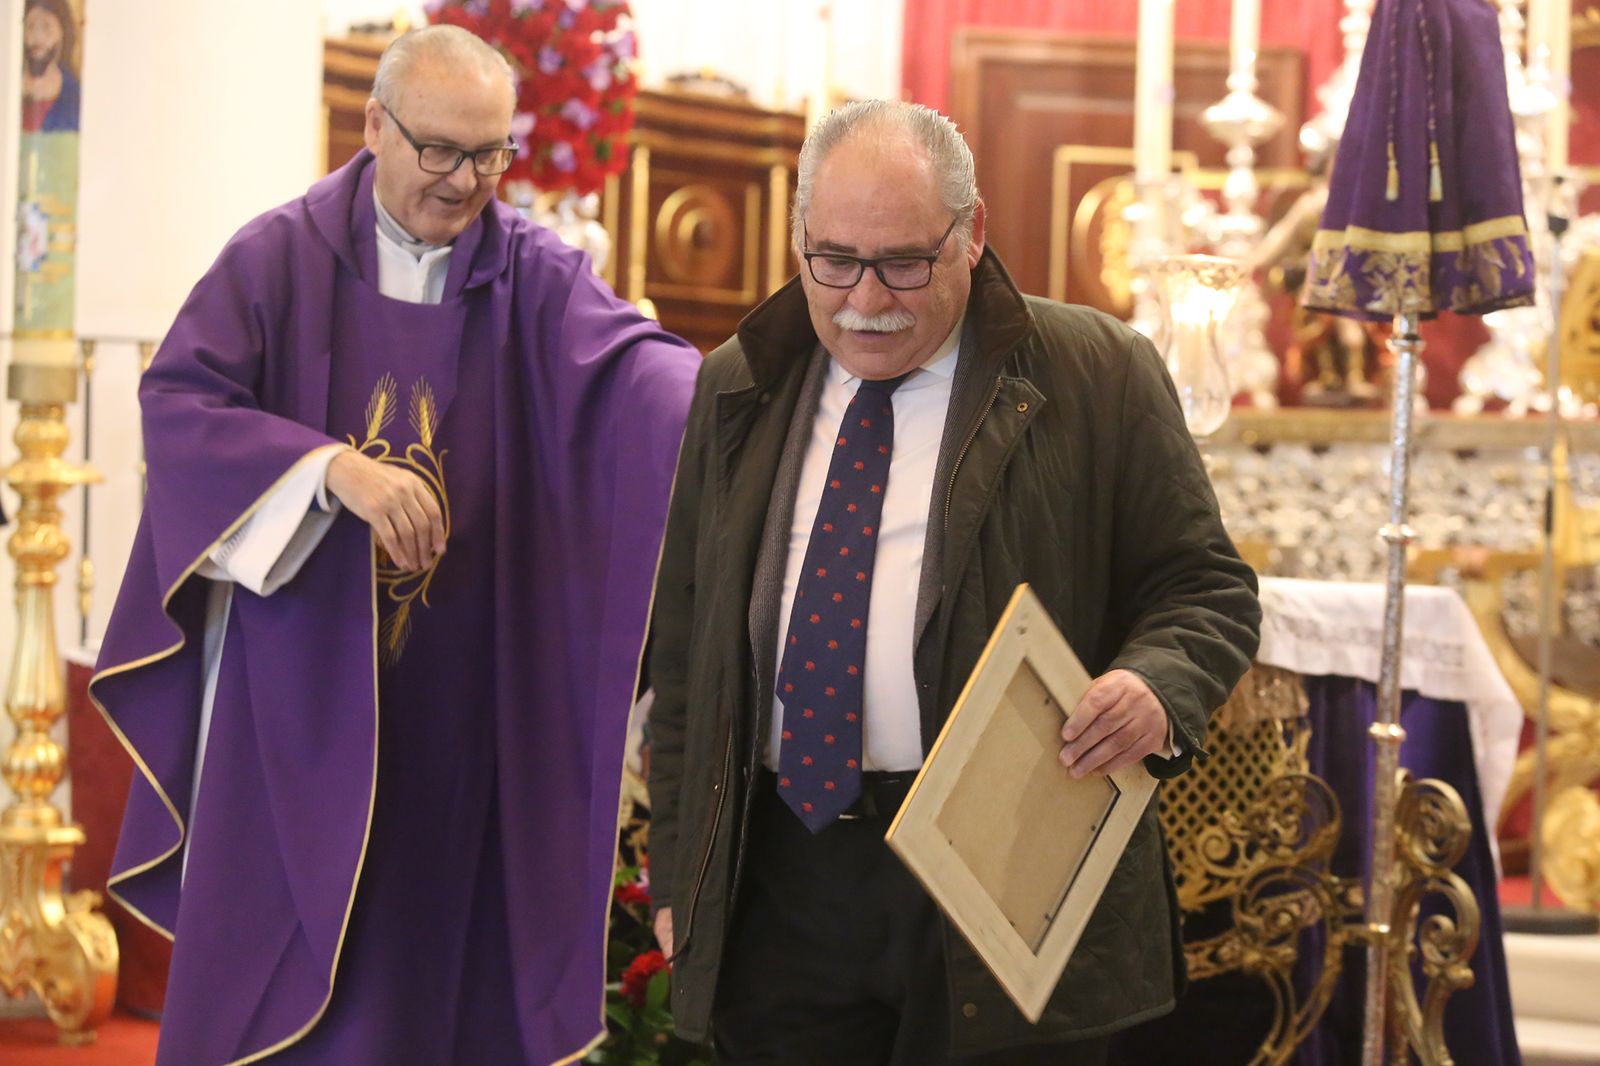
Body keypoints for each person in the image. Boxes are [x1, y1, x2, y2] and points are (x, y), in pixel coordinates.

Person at [90, 25, 700, 1066]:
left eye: (490, 155)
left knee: (436, 979)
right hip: (294, 696)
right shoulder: (276, 258)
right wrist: (329, 471)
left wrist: (750, 394)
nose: (467, 184)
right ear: (374, 125)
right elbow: (183, 405)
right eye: (441, 151)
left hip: (458, 699)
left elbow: (638, 376)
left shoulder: (532, 272)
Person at [645, 99, 1260, 1065]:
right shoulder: (739, 385)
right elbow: (686, 653)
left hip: (1002, 869)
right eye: (834, 260)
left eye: (904, 263)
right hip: (782, 880)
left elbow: (1207, 588)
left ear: (972, 234)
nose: (864, 299)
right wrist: (684, 875)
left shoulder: (1098, 375)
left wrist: (1156, 686)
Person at [21, 0, 80, 133]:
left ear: (62, 32)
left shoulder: (75, 97)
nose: (37, 37)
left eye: (46, 27)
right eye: (30, 26)